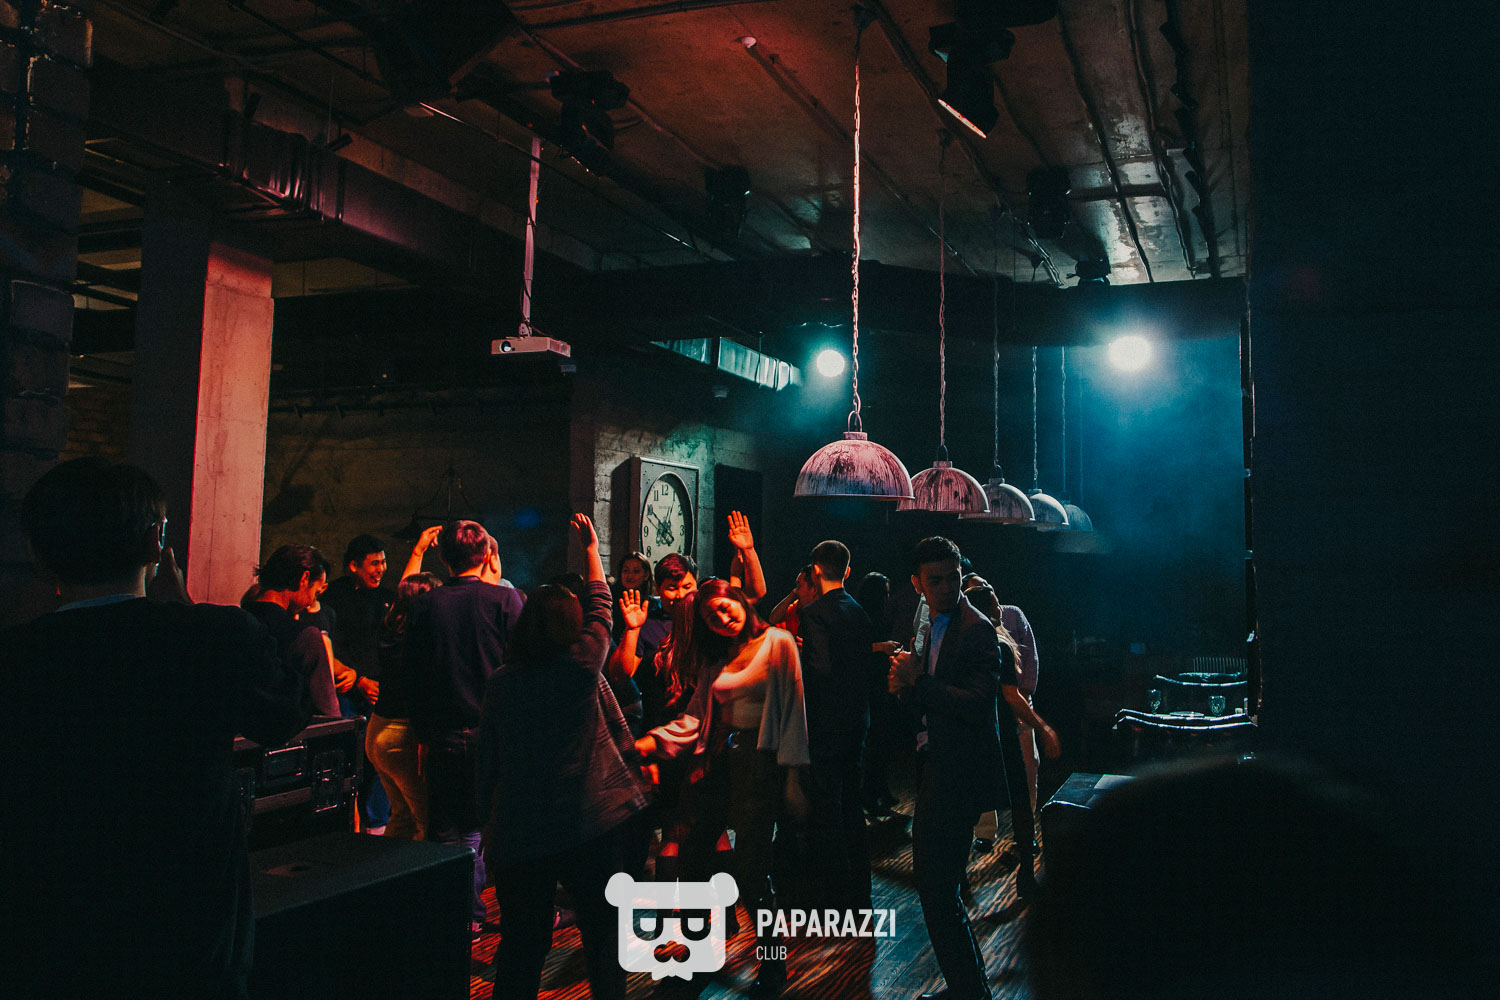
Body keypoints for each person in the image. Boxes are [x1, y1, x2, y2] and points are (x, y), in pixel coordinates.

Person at [1, 459, 314, 998]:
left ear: (36, 552)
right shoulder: (213, 637)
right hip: (190, 932)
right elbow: (284, 715)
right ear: (156, 542)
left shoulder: (16, 657)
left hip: (46, 934)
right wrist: (185, 609)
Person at [478, 514, 647, 1000]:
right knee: (603, 937)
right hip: (588, 821)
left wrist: (486, 819)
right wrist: (592, 549)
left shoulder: (503, 682)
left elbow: (488, 757)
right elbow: (602, 606)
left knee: (522, 946)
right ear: (572, 626)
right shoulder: (581, 664)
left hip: (522, 826)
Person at [888, 537, 1059, 1000]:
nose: (947, 587)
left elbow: (977, 703)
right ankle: (968, 988)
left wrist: (917, 682)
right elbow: (931, 697)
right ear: (917, 584)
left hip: (958, 773)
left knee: (936, 889)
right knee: (938, 889)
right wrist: (905, 687)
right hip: (938, 763)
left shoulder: (977, 629)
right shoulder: (932, 623)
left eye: (954, 578)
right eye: (936, 580)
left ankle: (971, 991)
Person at [636, 579, 810, 997]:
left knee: (751, 872)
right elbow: (697, 716)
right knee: (694, 863)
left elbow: (795, 713)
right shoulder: (717, 657)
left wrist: (794, 779)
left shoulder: (778, 641)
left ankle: (773, 965)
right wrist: (655, 741)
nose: (721, 616)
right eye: (711, 615)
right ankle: (699, 958)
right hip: (714, 763)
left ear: (740, 602)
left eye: (724, 606)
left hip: (758, 765)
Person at [405, 519, 526, 935]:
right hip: (494, 733)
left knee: (444, 828)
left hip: (441, 733)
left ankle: (454, 916)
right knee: (486, 827)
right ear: (487, 554)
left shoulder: (425, 605)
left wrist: (422, 734)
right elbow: (522, 668)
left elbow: (413, 675)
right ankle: (480, 916)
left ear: (443, 557)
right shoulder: (506, 601)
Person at [960, 578, 1060, 897]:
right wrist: (1042, 727)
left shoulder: (965, 642)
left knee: (970, 802)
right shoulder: (997, 644)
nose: (999, 607)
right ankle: (1026, 876)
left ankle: (959, 878)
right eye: (993, 602)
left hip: (978, 731)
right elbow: (1011, 696)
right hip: (1003, 731)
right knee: (1018, 801)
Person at [797, 539, 876, 908]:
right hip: (857, 718)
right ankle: (860, 892)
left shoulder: (815, 613)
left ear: (815, 570)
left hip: (827, 721)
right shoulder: (858, 611)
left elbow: (821, 670)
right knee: (852, 805)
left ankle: (835, 895)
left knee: (827, 807)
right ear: (847, 571)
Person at [323, 533, 394, 833]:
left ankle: (376, 827)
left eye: (383, 562)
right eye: (374, 563)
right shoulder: (333, 597)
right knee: (347, 759)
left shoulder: (384, 597)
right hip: (346, 692)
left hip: (377, 693)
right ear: (354, 566)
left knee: (379, 760)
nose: (381, 569)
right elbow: (330, 648)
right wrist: (358, 680)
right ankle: (342, 824)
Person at [364, 571, 442, 841]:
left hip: (378, 728)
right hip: (402, 734)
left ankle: (386, 868)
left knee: (402, 816)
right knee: (427, 822)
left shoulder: (390, 632)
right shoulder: (418, 640)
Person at [245, 544, 341, 719]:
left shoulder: (235, 624)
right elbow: (329, 717)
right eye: (315, 593)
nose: (311, 602)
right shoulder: (306, 638)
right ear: (304, 579)